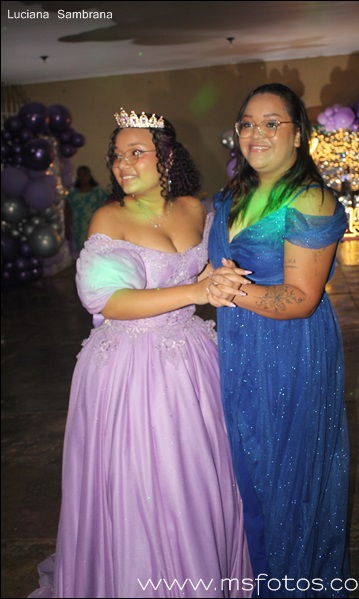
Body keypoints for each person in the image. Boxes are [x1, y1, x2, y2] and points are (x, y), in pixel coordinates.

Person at [28, 109, 252, 598]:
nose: (122, 165)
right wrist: (196, 292)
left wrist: (217, 279)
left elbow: (198, 272)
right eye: (116, 156)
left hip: (191, 359)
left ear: (166, 158)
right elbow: (108, 301)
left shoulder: (194, 209)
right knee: (145, 481)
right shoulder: (109, 217)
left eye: (136, 153)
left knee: (196, 476)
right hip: (130, 367)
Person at [206, 84, 350, 598]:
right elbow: (211, 272)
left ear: (297, 133)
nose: (256, 133)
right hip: (239, 345)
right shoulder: (230, 198)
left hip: (291, 349)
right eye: (247, 123)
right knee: (251, 470)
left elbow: (300, 298)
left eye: (271, 123)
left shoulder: (310, 198)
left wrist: (227, 289)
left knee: (290, 477)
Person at [65, 165, 108, 259]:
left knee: (97, 252)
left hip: (96, 227)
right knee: (82, 253)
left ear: (89, 175)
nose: (82, 177)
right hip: (79, 229)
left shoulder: (98, 192)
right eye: (80, 175)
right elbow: (67, 211)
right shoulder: (73, 195)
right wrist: (67, 227)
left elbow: (106, 207)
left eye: (84, 174)